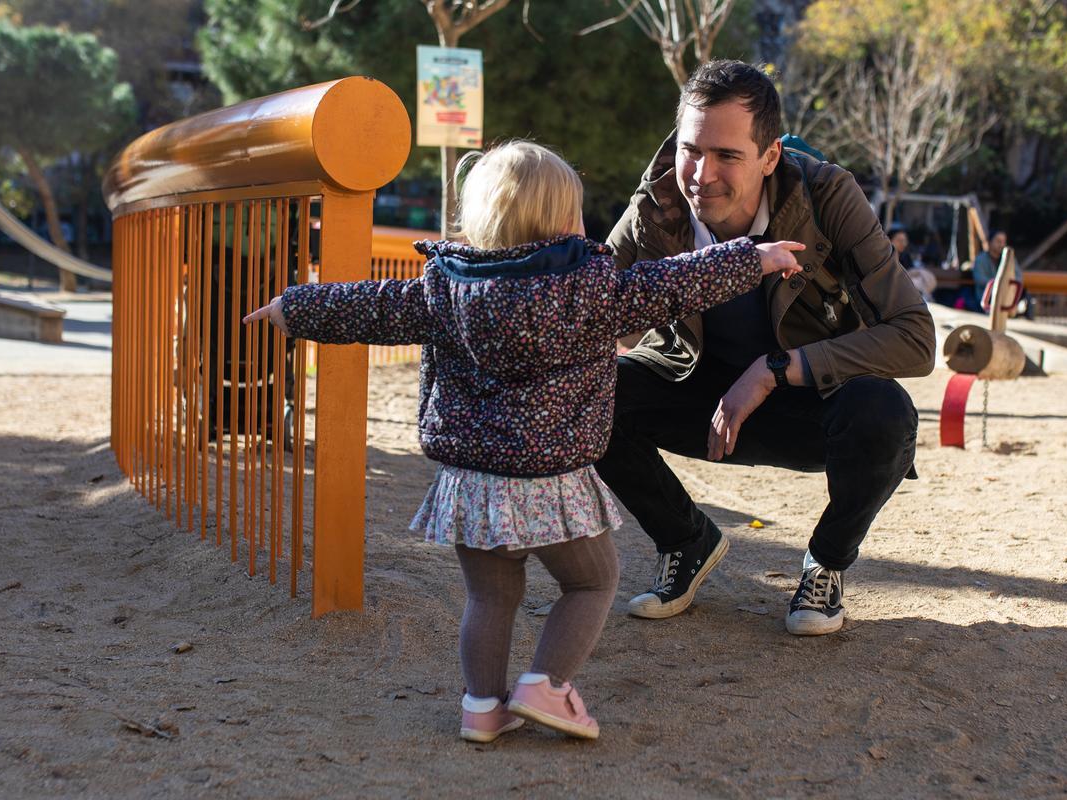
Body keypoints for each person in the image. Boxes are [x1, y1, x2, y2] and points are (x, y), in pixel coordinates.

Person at [243, 141, 805, 741]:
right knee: (591, 582)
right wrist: (755, 257)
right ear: (566, 221)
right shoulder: (592, 289)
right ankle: (547, 685)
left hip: (472, 482)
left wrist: (293, 306)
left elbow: (370, 306)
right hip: (551, 479)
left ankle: (482, 708)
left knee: (489, 599)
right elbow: (671, 283)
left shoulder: (442, 290)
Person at [596, 60, 935, 637]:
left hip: (809, 401)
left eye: (727, 156)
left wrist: (775, 369)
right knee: (590, 393)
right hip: (697, 395)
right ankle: (686, 540)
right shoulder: (655, 204)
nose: (702, 175)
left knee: (886, 414)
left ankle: (826, 563)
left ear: (770, 156)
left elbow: (915, 338)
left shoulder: (827, 194)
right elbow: (589, 307)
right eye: (691, 149)